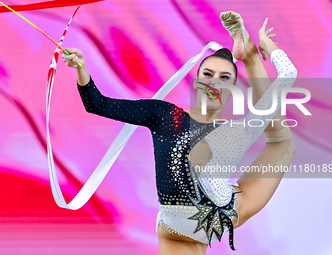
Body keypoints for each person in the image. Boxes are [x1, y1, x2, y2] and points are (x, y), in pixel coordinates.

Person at [62, 11, 297, 255]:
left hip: (219, 212)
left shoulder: (232, 132)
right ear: (196, 81)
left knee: (281, 142)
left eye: (224, 77)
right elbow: (98, 104)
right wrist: (81, 68)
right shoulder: (163, 114)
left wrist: (273, 51)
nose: (214, 82)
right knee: (273, 134)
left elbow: (283, 85)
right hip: (188, 221)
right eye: (207, 74)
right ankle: (248, 54)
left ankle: (248, 56)